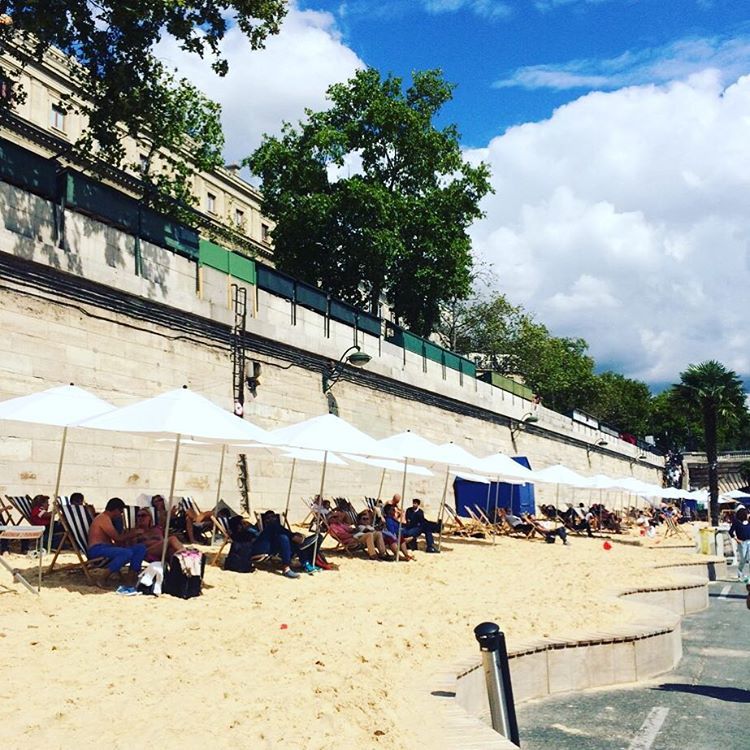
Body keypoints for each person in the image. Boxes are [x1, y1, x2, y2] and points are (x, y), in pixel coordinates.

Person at [87, 497, 147, 583]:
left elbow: (118, 540)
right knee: (126, 553)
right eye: (121, 511)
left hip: (107, 548)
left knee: (140, 548)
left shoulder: (108, 519)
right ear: (115, 510)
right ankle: (103, 578)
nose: (121, 514)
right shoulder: (103, 518)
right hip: (97, 550)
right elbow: (117, 538)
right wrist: (133, 533)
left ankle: (132, 577)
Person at [252, 510, 302, 578]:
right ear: (265, 520)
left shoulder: (277, 529)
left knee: (283, 537)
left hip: (270, 546)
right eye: (268, 518)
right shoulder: (259, 527)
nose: (271, 519)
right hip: (259, 548)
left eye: (273, 516)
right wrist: (293, 536)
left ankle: (302, 562)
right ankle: (286, 568)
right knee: (276, 528)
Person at [729, 506, 750, 582]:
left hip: (749, 541)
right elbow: (730, 532)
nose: (748, 515)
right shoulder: (737, 522)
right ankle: (739, 573)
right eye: (747, 514)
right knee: (743, 560)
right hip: (742, 543)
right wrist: (736, 539)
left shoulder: (749, 521)